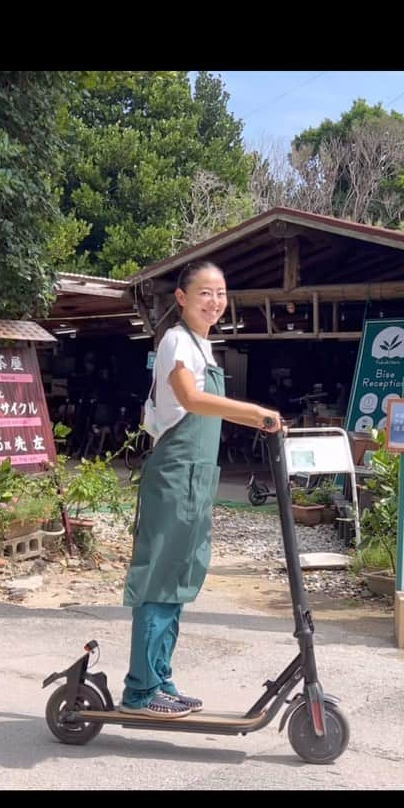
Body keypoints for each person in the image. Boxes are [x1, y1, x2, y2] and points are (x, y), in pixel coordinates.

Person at [121, 260, 282, 717]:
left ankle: (161, 677)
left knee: (180, 577)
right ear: (182, 298)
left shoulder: (205, 347)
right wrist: (254, 412)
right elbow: (190, 399)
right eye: (205, 293)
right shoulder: (175, 341)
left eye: (221, 292)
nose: (215, 301)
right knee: (159, 577)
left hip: (195, 478)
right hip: (174, 476)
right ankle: (140, 690)